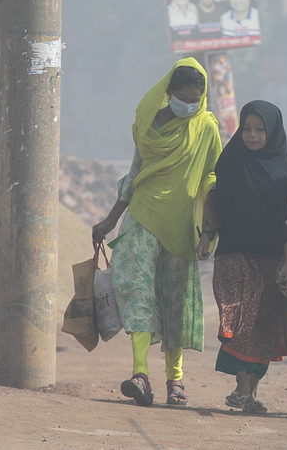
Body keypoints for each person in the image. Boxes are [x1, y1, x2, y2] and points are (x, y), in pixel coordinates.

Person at [91, 58, 222, 408]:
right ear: (169, 92)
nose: (189, 105)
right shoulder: (148, 124)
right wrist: (110, 220)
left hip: (181, 226)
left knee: (174, 300)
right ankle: (140, 374)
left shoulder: (207, 128)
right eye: (182, 98)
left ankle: (175, 379)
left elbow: (212, 178)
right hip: (142, 217)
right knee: (138, 292)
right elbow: (135, 173)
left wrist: (208, 231)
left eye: (195, 99)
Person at [199, 101, 287, 413]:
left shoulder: (284, 173)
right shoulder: (231, 162)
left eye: (260, 130)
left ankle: (249, 395)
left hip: (270, 259)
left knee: (263, 326)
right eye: (247, 129)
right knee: (237, 318)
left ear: (273, 132)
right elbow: (215, 202)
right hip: (234, 253)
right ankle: (242, 386)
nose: (252, 135)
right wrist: (206, 235)